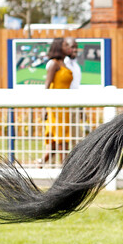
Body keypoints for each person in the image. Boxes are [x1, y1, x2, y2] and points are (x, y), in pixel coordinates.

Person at [37, 38, 73, 166]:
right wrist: (43, 108)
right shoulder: (53, 64)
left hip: (65, 108)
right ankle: (66, 169)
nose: (68, 46)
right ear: (58, 47)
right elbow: (47, 86)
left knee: (57, 141)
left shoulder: (64, 63)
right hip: (55, 109)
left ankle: (40, 163)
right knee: (61, 140)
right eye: (65, 44)